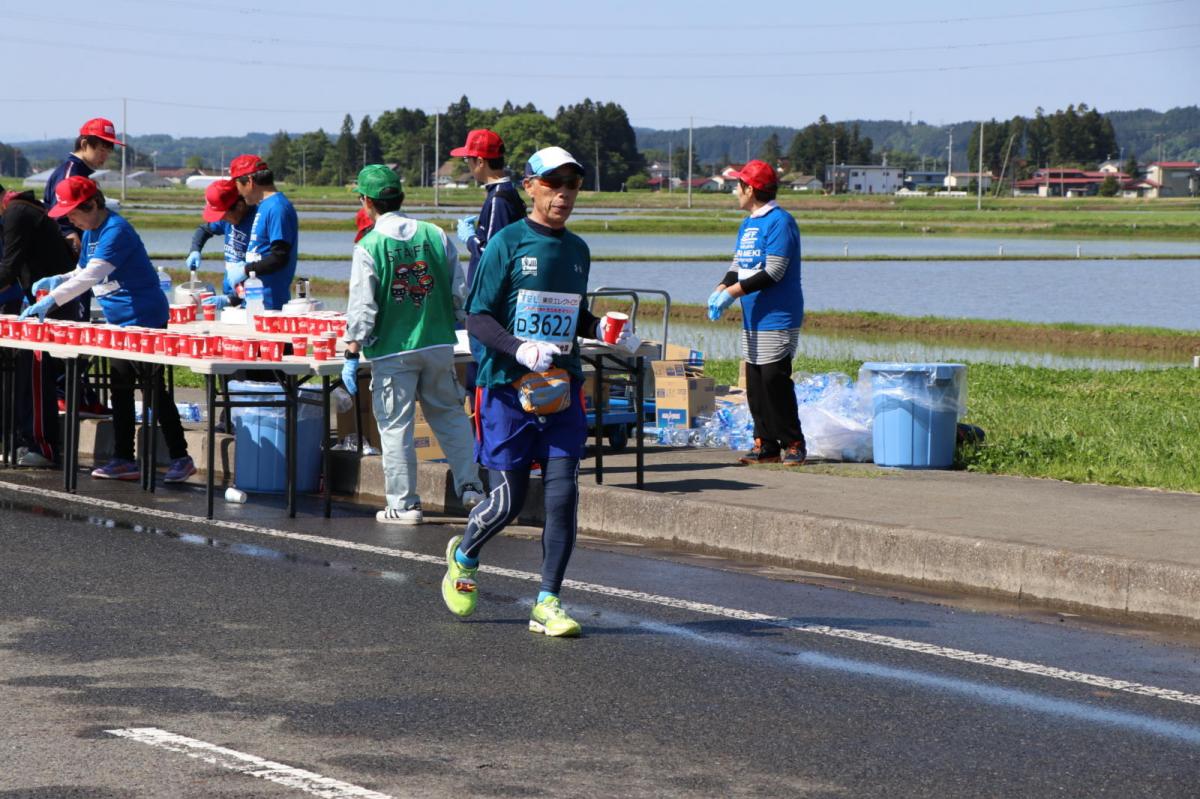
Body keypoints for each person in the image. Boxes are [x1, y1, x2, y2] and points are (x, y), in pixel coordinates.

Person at [442, 146, 635, 638]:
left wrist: (606, 328)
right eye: (553, 184)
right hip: (507, 389)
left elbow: (573, 313)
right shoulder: (506, 243)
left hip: (562, 388)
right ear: (529, 186)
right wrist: (519, 348)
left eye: (571, 185)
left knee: (563, 496)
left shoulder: (577, 250)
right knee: (508, 501)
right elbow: (478, 317)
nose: (563, 194)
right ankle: (464, 556)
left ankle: (547, 600)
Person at [22, 176, 196, 483]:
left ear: (92, 204)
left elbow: (92, 275)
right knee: (120, 387)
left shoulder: (116, 231)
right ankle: (124, 458)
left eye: (73, 212)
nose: (70, 219)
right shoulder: (92, 231)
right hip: (118, 322)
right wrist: (58, 279)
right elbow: (81, 271)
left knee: (153, 388)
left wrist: (51, 300)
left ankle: (181, 456)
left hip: (143, 319)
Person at [341, 165, 485, 524]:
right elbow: (459, 291)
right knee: (450, 416)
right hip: (437, 344)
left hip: (392, 350)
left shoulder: (369, 244)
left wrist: (351, 350)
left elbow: (362, 307)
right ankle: (471, 487)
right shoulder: (434, 234)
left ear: (367, 201)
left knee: (396, 427)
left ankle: (404, 505)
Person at [707, 159, 806, 466]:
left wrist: (732, 294)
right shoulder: (749, 224)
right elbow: (739, 264)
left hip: (778, 315)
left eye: (738, 186)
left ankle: (793, 442)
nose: (736, 191)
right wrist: (722, 288)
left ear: (750, 189)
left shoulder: (780, 221)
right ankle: (765, 444)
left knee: (775, 380)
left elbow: (774, 270)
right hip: (753, 315)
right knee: (755, 382)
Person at [0, 187, 76, 466]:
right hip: (40, 301)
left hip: (50, 303)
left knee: (35, 371)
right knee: (24, 372)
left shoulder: (16, 214)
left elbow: (8, 270)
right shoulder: (24, 210)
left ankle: (42, 446)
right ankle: (26, 439)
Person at [450, 129, 528, 398]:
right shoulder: (509, 194)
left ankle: (483, 432)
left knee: (485, 378)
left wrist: (470, 238)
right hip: (505, 303)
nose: (469, 167)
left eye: (469, 161)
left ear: (480, 161)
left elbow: (491, 255)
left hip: (491, 306)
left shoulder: (497, 199)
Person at [204, 155, 298, 313]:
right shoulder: (263, 206)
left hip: (270, 305)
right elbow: (259, 253)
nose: (238, 193)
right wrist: (232, 299)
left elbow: (279, 257)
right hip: (254, 301)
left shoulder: (277, 208)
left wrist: (245, 270)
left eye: (237, 186)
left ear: (250, 181)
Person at [43, 117, 122, 257]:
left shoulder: (80, 172)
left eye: (108, 152)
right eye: (102, 150)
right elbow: (62, 219)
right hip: (66, 252)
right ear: (84, 144)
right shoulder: (70, 174)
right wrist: (75, 247)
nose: (105, 157)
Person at [186, 178, 256, 300]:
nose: (222, 220)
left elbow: (269, 264)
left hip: (252, 297)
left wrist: (230, 300)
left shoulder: (257, 222)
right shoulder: (228, 220)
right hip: (230, 292)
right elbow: (204, 230)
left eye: (223, 215)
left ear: (239, 206)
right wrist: (195, 250)